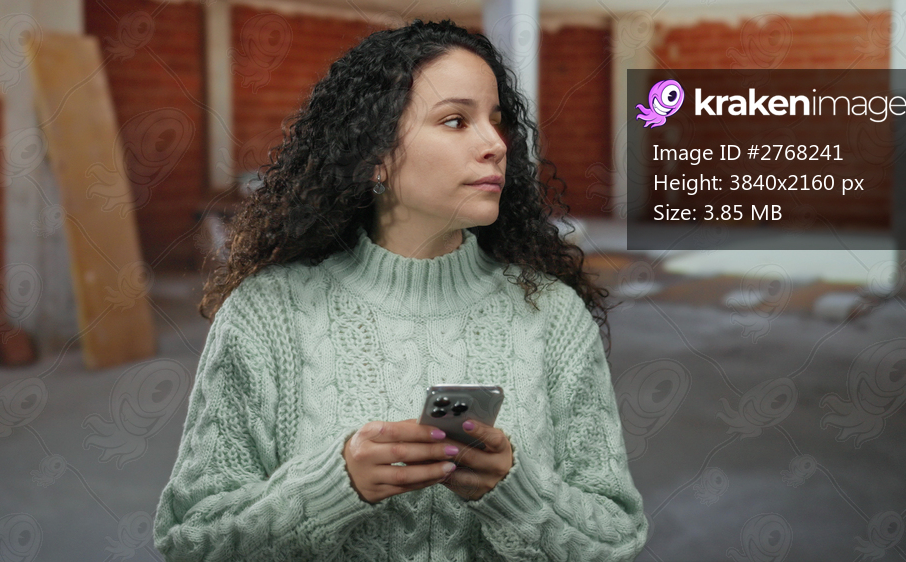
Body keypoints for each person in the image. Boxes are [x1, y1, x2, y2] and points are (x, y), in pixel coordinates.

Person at [153, 18, 648, 562]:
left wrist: (517, 494)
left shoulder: (552, 314)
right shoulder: (266, 313)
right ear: (376, 157)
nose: (495, 145)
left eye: (496, 121)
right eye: (456, 120)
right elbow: (190, 542)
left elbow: (617, 538)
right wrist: (330, 488)